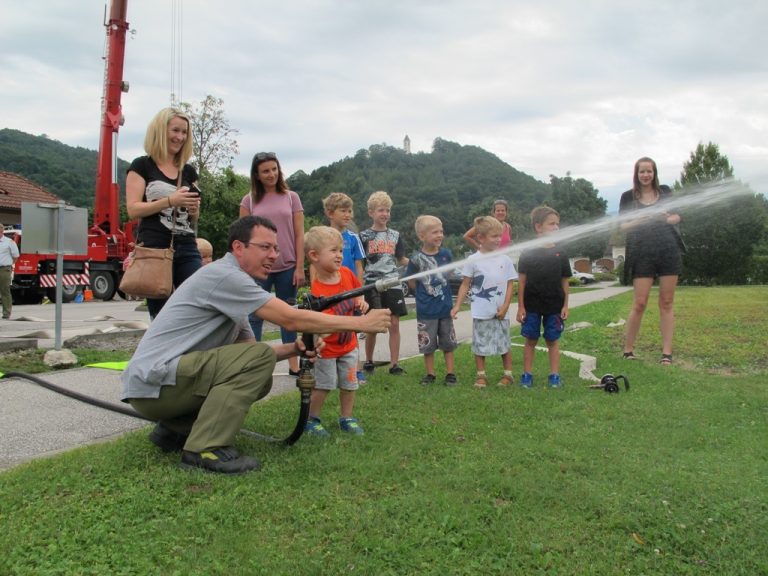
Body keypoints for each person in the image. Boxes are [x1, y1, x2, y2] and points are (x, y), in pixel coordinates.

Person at [121, 216, 391, 475]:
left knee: (260, 376)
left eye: (276, 248)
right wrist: (360, 324)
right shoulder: (226, 277)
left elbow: (249, 353)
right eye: (265, 247)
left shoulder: (236, 285)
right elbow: (289, 317)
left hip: (158, 386)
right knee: (258, 361)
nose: (274, 255)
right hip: (154, 385)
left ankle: (175, 429)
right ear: (238, 247)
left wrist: (295, 349)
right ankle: (203, 449)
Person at [125, 107, 202, 320]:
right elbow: (133, 209)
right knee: (160, 316)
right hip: (154, 248)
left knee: (199, 301)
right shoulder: (142, 165)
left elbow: (193, 217)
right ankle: (160, 352)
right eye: (175, 130)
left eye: (184, 132)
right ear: (161, 130)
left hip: (186, 244)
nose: (180, 137)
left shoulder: (188, 171)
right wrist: (170, 200)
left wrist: (194, 209)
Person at [240, 152, 304, 376]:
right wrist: (245, 270)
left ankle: (293, 364)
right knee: (254, 315)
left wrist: (299, 266)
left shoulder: (291, 197)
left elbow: (299, 233)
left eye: (274, 169)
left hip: (287, 265)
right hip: (258, 268)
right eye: (266, 171)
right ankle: (254, 363)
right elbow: (243, 237)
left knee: (288, 315)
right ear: (256, 174)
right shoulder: (248, 200)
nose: (271, 174)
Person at [303, 226, 369, 437]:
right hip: (327, 350)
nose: (340, 255)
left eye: (341, 250)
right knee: (323, 386)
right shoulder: (317, 292)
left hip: (349, 345)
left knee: (350, 384)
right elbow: (321, 324)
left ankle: (347, 417)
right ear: (314, 255)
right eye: (333, 250)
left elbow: (358, 293)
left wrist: (361, 302)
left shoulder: (348, 274)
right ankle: (312, 419)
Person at [619, 157, 683, 365]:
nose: (645, 175)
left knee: (666, 302)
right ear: (636, 174)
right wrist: (642, 218)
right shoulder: (628, 197)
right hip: (641, 253)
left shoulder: (665, 192)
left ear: (654, 173)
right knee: (640, 302)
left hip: (668, 251)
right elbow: (623, 226)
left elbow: (678, 217)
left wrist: (666, 218)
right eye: (641, 172)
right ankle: (628, 350)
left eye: (649, 171)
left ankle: (667, 353)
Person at [451, 216, 517, 388]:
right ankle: (481, 376)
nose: (498, 240)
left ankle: (508, 375)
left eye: (500, 236)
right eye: (494, 236)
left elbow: (510, 284)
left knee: (504, 343)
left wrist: (505, 306)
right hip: (481, 311)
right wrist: (457, 305)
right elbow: (465, 284)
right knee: (480, 343)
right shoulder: (473, 260)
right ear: (481, 238)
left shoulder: (505, 260)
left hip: (501, 312)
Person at [313, 192, 368, 384]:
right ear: (330, 213)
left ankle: (356, 370)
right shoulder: (320, 236)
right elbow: (314, 265)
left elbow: (359, 265)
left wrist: (359, 294)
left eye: (350, 210)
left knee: (352, 329)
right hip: (327, 291)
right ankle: (325, 369)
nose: (348, 215)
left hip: (348, 290)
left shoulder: (353, 238)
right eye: (343, 211)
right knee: (326, 330)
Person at [516, 207, 572, 389]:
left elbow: (565, 282)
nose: (556, 227)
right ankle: (527, 375)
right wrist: (521, 307)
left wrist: (565, 305)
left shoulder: (561, 253)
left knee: (552, 340)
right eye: (551, 224)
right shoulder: (527, 253)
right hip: (532, 306)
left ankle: (554, 375)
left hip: (554, 306)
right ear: (538, 227)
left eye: (557, 224)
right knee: (530, 340)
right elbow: (522, 282)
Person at [359, 191, 409, 375]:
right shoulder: (363, 236)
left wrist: (416, 264)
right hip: (371, 284)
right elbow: (359, 264)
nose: (385, 214)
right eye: (381, 210)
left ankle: (394, 364)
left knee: (394, 324)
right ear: (371, 212)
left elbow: (401, 258)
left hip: (393, 283)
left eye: (387, 210)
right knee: (372, 325)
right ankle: (369, 361)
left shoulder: (395, 235)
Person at [406, 216, 458, 386]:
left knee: (448, 343)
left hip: (444, 309)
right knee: (427, 345)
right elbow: (411, 281)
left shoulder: (446, 254)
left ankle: (450, 374)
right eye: (435, 232)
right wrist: (423, 295)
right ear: (422, 236)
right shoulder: (415, 259)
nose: (440, 235)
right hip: (426, 311)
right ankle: (430, 374)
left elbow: (449, 274)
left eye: (441, 231)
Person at [0, 223, 20, 319]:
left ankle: (6, 313)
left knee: (4, 290)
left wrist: (9, 265)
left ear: (1, 231)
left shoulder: (9, 242)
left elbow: (16, 256)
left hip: (4, 269)